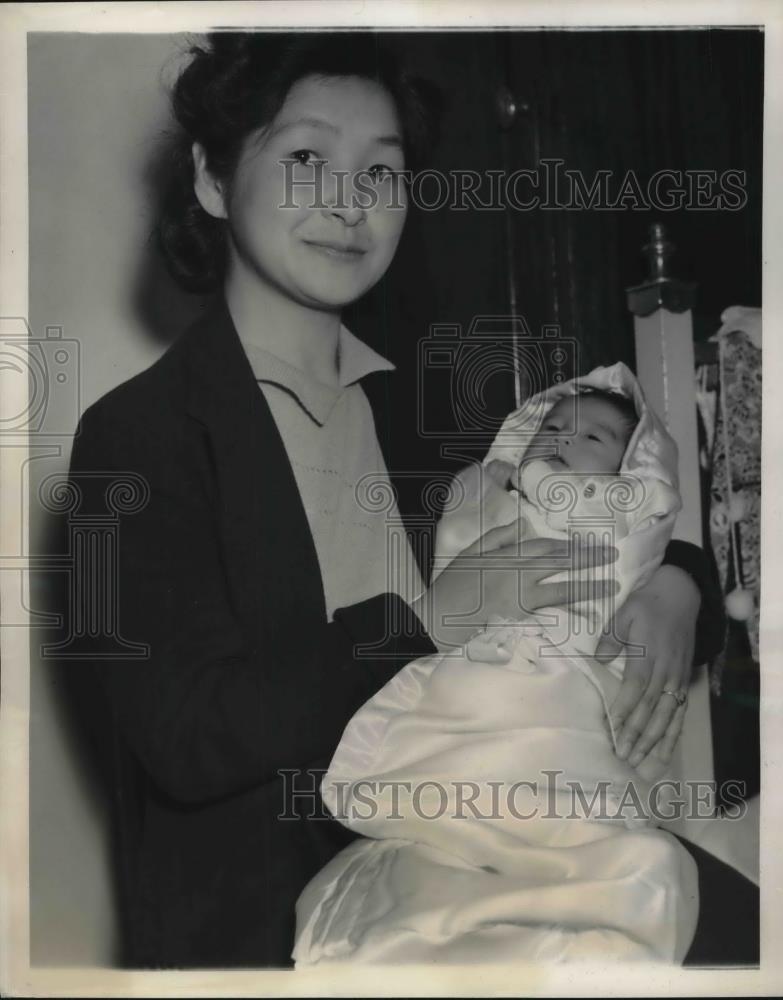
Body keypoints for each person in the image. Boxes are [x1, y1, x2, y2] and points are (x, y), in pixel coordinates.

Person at [66, 32, 751, 969]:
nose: (348, 201)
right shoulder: (134, 438)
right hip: (279, 924)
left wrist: (679, 589)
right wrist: (425, 620)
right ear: (213, 180)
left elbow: (596, 512)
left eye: (381, 174)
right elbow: (186, 737)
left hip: (508, 853)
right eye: (306, 158)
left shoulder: (426, 417)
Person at [294, 364, 700, 965]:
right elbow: (461, 536)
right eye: (553, 427)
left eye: (593, 438)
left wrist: (678, 581)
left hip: (571, 682)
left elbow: (647, 531)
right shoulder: (486, 491)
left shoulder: (614, 506)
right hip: (473, 671)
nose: (564, 441)